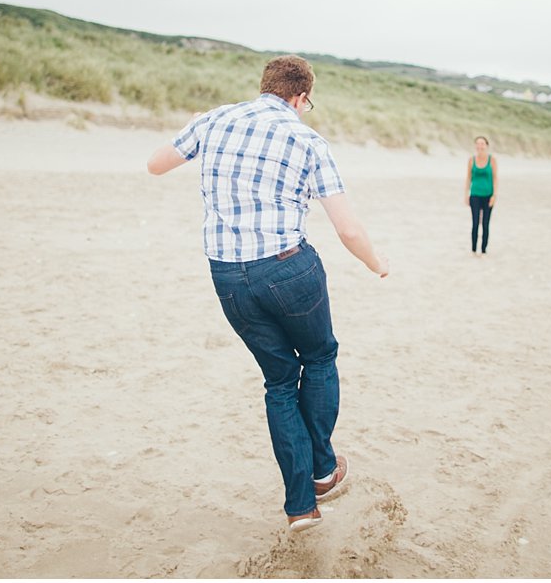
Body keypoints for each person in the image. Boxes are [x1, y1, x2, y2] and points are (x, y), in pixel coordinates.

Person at [146, 54, 389, 534]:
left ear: (265, 87)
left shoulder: (215, 120)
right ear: (300, 97)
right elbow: (348, 228)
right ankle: (322, 470)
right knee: (319, 358)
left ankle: (301, 506)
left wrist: (192, 126)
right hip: (287, 268)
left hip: (228, 277)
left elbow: (155, 165)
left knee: (280, 380)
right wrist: (376, 263)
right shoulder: (306, 137)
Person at [465, 136, 498, 255]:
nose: (480, 146)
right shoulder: (471, 160)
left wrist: (494, 195)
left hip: (488, 195)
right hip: (474, 195)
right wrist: (466, 194)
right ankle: (473, 249)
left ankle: (483, 250)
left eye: (482, 144)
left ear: (486, 146)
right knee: (475, 223)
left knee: (485, 224)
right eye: (478, 144)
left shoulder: (492, 160)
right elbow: (468, 178)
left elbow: (495, 178)